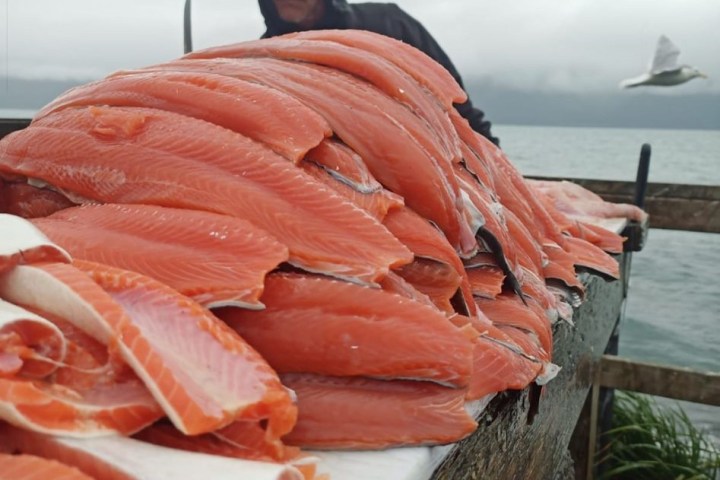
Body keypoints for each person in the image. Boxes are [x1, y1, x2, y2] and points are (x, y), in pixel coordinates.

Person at [258, 0, 500, 146]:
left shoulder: (389, 23)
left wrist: (498, 170)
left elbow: (456, 105)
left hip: (419, 174)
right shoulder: (260, 58)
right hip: (329, 187)